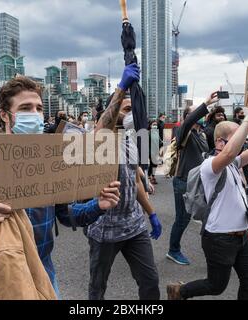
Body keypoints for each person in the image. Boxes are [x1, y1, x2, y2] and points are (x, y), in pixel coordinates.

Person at [0, 76, 122, 298]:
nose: (34, 114)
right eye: (25, 108)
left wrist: (98, 205)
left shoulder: (53, 163)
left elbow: (65, 216)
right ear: (4, 114)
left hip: (44, 271)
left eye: (39, 108)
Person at [167, 104, 248, 300]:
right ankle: (179, 291)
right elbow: (227, 154)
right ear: (220, 142)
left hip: (241, 235)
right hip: (219, 238)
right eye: (237, 140)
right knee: (216, 285)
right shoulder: (210, 165)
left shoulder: (234, 163)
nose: (241, 144)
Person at [86, 63, 162, 300]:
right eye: (125, 108)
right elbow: (100, 133)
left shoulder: (130, 140)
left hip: (134, 226)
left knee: (150, 283)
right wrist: (121, 89)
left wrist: (151, 213)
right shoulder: (97, 140)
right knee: (98, 286)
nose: (130, 114)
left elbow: (134, 181)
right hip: (104, 230)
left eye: (133, 109)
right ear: (114, 108)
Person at [167, 95, 218, 266]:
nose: (201, 116)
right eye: (196, 113)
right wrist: (205, 104)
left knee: (208, 215)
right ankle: (173, 250)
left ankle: (215, 251)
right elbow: (189, 122)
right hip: (184, 181)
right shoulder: (183, 133)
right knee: (182, 218)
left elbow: (205, 155)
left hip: (201, 181)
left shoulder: (200, 135)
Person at [148, 120, 160, 185]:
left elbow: (160, 142)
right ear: (150, 126)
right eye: (153, 124)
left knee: (155, 165)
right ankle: (150, 177)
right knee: (153, 164)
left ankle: (152, 176)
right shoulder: (149, 133)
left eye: (156, 125)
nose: (155, 126)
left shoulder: (156, 133)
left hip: (156, 151)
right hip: (151, 152)